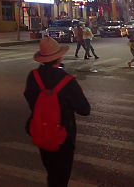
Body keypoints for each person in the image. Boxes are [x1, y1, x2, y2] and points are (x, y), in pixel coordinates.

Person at [24, 37, 91, 187]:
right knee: (61, 177)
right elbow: (84, 109)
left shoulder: (33, 76)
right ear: (59, 57)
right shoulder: (67, 80)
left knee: (51, 171)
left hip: (41, 131)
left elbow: (30, 99)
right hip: (63, 136)